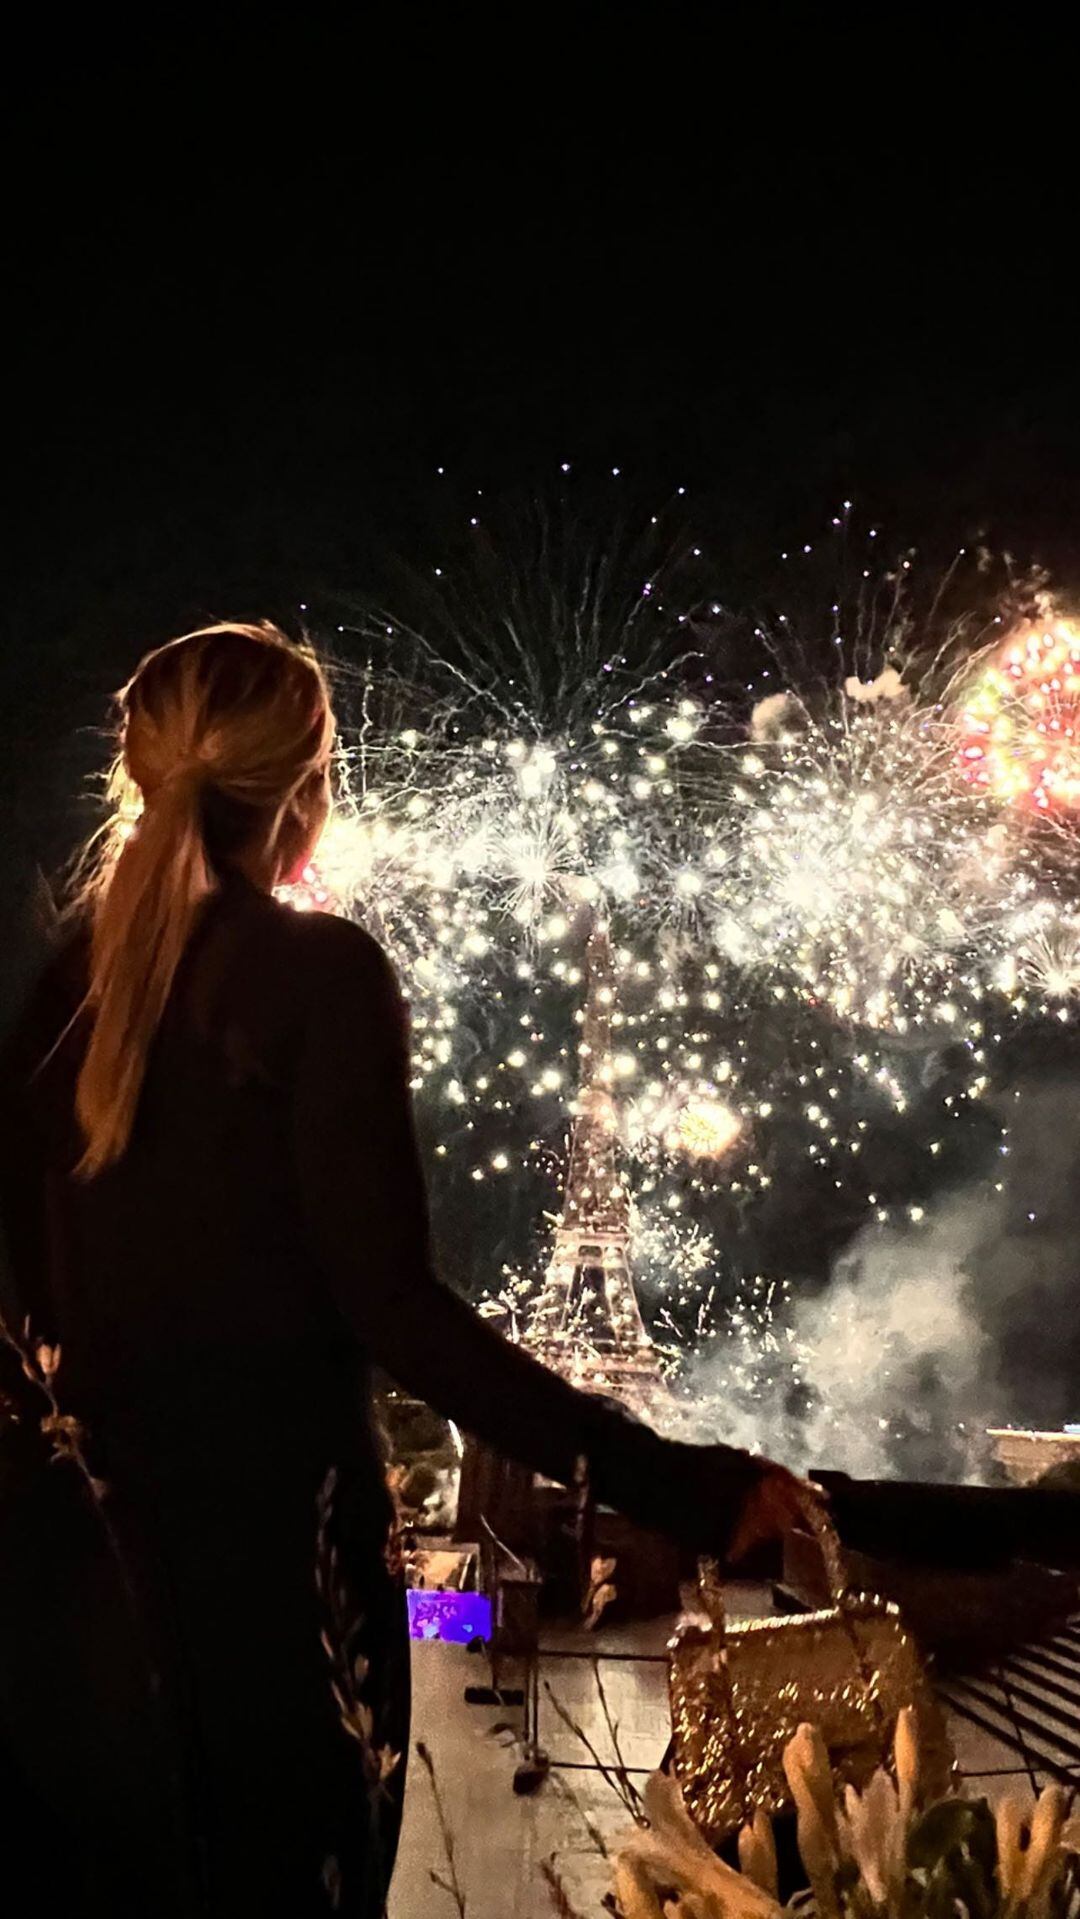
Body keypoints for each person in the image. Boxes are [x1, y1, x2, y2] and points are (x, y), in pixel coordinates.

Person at [0, 622, 818, 1917]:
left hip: (77, 1632)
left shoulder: (61, 998)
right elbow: (396, 1312)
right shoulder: (318, 975)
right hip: (282, 1607)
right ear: (313, 788)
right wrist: (680, 1483)